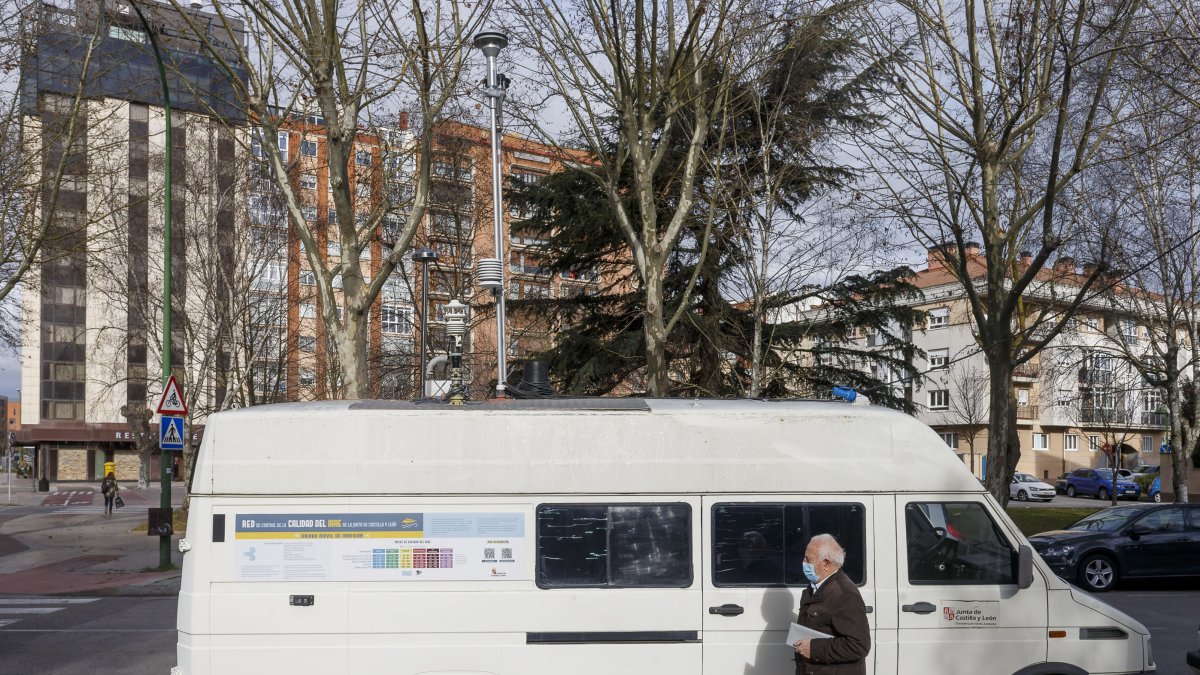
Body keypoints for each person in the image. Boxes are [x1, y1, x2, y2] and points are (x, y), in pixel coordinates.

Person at [792, 533, 871, 675]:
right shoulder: (816, 586)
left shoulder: (844, 594)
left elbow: (859, 646)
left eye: (808, 559)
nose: (803, 562)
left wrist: (813, 648)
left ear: (826, 563)